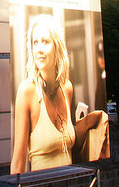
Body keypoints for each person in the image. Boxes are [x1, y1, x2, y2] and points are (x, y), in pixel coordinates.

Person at [11, 14, 107, 174]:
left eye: (45, 42)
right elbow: (19, 159)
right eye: (35, 42)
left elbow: (68, 143)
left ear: (57, 47)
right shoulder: (27, 91)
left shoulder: (67, 88)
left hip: (69, 186)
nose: (39, 49)